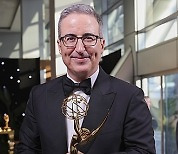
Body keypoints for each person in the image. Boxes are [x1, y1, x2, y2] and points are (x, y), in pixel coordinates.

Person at [15, 3, 156, 154]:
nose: (80, 49)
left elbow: (144, 151)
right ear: (59, 46)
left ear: (102, 45)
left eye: (89, 38)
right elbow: (26, 149)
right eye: (70, 38)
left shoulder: (130, 96)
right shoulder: (39, 96)